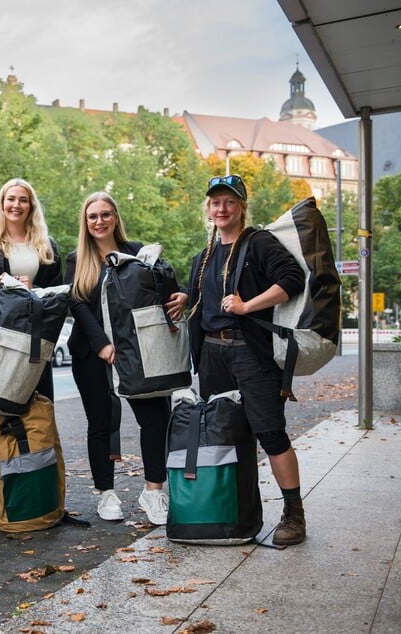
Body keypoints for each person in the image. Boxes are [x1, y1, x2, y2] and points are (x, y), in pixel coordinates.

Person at [186, 174, 307, 545]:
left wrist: (247, 306)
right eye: (216, 202)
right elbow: (198, 298)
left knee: (269, 433)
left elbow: (293, 278)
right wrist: (181, 298)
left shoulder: (258, 243)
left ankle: (294, 515)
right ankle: (232, 511)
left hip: (251, 353)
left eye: (229, 202)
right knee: (224, 437)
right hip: (212, 355)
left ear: (241, 207)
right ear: (209, 208)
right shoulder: (203, 256)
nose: (221, 208)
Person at [65, 192, 183, 524]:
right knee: (100, 423)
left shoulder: (135, 251)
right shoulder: (78, 259)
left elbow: (160, 289)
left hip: (137, 349)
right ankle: (106, 494)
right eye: (92, 216)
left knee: (155, 417)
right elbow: (76, 303)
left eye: (105, 214)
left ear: (115, 217)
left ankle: (153, 491)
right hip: (91, 352)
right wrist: (101, 343)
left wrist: (183, 293)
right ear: (85, 223)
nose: (99, 221)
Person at [0, 178, 62, 399]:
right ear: (2, 204)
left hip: (33, 339)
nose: (16, 205)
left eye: (23, 200)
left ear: (31, 206)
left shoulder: (47, 247)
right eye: (11, 199)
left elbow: (58, 297)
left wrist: (34, 288)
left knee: (36, 404)